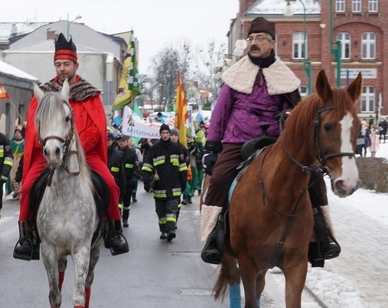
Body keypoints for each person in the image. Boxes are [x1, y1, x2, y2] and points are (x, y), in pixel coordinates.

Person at [200, 16, 340, 266]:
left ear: (273, 43)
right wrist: (212, 146)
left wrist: (288, 118)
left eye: (260, 39)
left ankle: (322, 236)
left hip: (276, 142)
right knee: (220, 178)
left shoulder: (284, 77)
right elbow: (221, 112)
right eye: (251, 39)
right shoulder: (234, 76)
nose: (254, 43)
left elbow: (300, 113)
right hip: (237, 139)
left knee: (315, 177)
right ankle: (214, 237)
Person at [13, 34, 128, 260]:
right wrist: (51, 144)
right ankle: (27, 237)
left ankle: (114, 230)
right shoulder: (45, 93)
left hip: (84, 154)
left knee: (110, 183)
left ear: (76, 64)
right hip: (49, 153)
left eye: (66, 64)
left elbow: (96, 129)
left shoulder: (90, 94)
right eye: (58, 64)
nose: (62, 68)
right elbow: (36, 128)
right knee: (27, 187)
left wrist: (74, 147)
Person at [141, 124, 187, 241]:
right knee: (161, 211)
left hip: (174, 185)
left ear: (170, 134)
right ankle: (163, 230)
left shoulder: (177, 148)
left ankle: (171, 230)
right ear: (160, 134)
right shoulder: (154, 149)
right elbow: (147, 166)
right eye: (163, 133)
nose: (165, 135)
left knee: (172, 209)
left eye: (167, 133)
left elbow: (182, 167)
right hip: (159, 186)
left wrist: (184, 181)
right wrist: (146, 181)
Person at [117, 134, 139, 227]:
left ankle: (125, 219)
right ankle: (117, 219)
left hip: (128, 181)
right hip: (117, 182)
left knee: (126, 202)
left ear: (127, 142)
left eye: (123, 141)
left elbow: (136, 167)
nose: (121, 143)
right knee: (118, 202)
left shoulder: (132, 153)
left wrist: (134, 177)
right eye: (120, 141)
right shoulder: (115, 152)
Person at [107, 130, 126, 226]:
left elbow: (121, 174)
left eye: (108, 140)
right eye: (105, 140)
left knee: (116, 209)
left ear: (112, 141)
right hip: (101, 185)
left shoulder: (118, 155)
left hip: (115, 186)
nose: (107, 142)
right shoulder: (99, 152)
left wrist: (122, 189)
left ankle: (117, 230)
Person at [9, 126, 24, 199]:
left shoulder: (24, 142)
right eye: (16, 133)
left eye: (19, 133)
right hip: (13, 161)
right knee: (12, 178)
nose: (17, 134)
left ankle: (19, 193)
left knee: (20, 177)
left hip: (20, 162)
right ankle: (15, 190)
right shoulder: (11, 143)